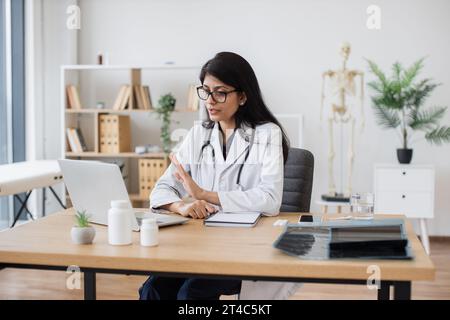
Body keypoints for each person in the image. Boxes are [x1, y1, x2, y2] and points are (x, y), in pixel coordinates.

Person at [139, 52, 291, 300]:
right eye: (205, 91)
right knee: (153, 288)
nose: (210, 100)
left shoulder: (267, 134)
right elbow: (162, 189)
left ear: (242, 96)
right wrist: (181, 206)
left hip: (243, 246)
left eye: (220, 92)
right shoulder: (198, 134)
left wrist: (204, 195)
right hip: (199, 243)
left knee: (191, 293)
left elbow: (270, 199)